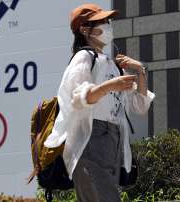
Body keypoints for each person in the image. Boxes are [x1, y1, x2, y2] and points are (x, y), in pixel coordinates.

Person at [43, 3, 155, 202]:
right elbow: (79, 99)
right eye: (101, 22)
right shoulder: (84, 57)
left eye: (107, 21)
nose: (108, 26)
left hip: (112, 140)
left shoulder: (111, 65)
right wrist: (110, 85)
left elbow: (140, 105)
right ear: (84, 29)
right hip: (90, 139)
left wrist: (140, 71)